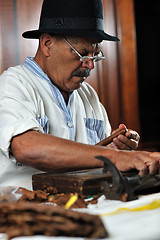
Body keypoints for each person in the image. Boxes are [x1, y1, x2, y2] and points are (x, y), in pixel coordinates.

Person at [0, 0, 159, 190]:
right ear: (47, 44)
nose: (91, 65)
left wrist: (119, 150)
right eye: (82, 54)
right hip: (28, 212)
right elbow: (26, 148)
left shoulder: (88, 95)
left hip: (86, 206)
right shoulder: (14, 84)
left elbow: (100, 158)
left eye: (95, 55)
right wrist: (116, 157)